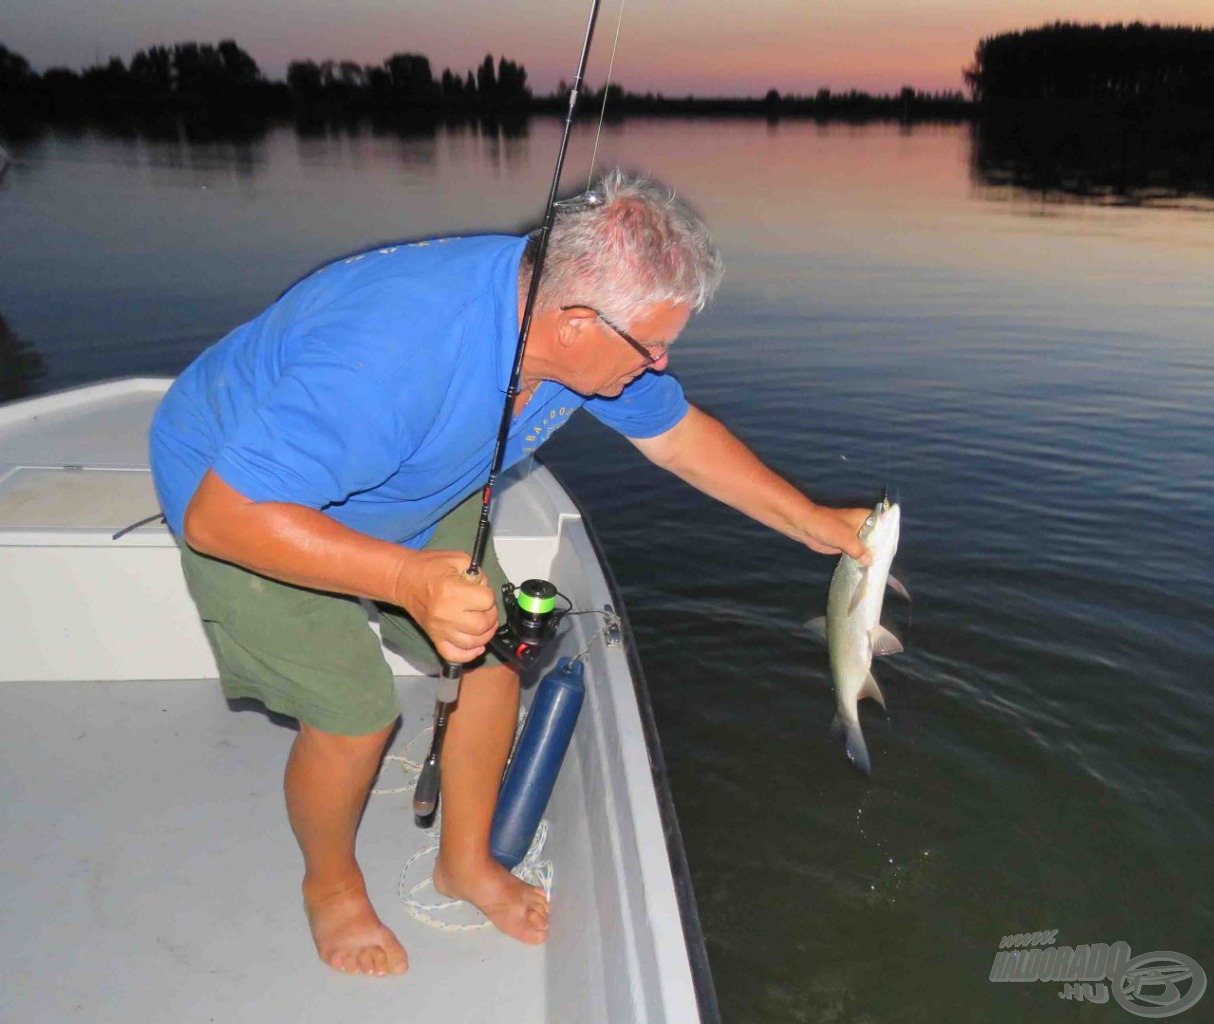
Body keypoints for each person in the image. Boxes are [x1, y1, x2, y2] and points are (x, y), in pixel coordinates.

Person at [149, 169, 871, 979]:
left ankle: (465, 862)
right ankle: (332, 882)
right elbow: (223, 516)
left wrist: (811, 521)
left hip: (412, 475)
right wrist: (409, 580)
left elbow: (676, 435)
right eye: (651, 345)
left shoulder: (580, 333)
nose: (661, 362)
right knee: (354, 716)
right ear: (572, 323)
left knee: (493, 659)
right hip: (249, 501)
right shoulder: (397, 355)